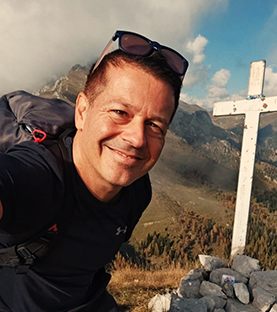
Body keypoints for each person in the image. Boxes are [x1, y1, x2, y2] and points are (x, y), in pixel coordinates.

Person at [0, 30, 188, 311]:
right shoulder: (38, 175)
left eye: (154, 125)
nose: (137, 139)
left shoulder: (137, 190)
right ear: (82, 112)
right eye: (120, 113)